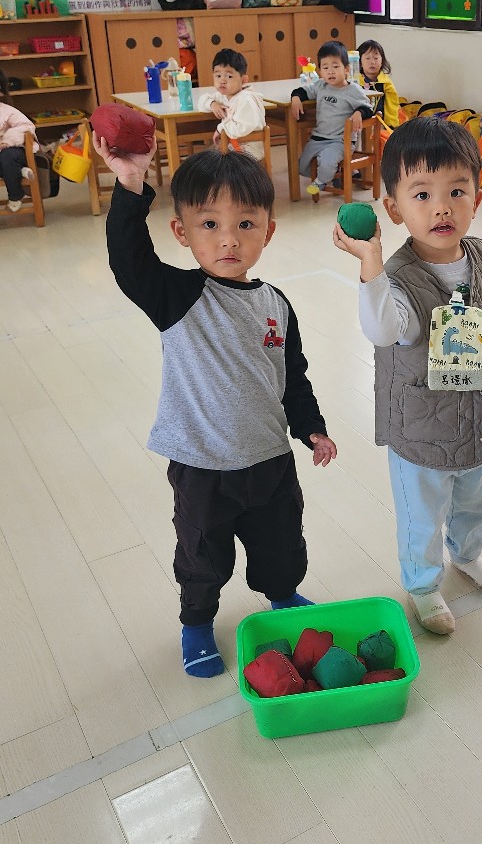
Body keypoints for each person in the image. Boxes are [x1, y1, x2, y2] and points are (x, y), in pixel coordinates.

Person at [93, 132, 337, 678]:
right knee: (202, 557)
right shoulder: (176, 296)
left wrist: (312, 429)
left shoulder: (276, 304)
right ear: (181, 232)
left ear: (268, 231)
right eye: (209, 224)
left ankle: (283, 596)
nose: (229, 240)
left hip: (269, 458)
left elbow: (292, 377)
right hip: (202, 465)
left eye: (245, 224)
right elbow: (129, 261)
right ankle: (197, 622)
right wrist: (130, 184)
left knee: (282, 544)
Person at [333, 116, 482, 636]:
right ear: (393, 208)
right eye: (422, 194)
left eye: (456, 191)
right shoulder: (397, 277)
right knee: (422, 514)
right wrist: (370, 262)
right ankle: (421, 584)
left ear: (477, 199)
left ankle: (467, 554)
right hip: (421, 427)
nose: (442, 207)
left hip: (475, 415)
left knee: (478, 497)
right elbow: (383, 329)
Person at [291, 40, 373, 200]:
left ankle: (321, 181)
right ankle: (336, 174)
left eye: (335, 66)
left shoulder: (352, 90)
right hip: (318, 138)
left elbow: (368, 108)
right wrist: (296, 98)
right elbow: (302, 91)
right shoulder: (321, 85)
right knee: (300, 167)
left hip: (340, 141)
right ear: (320, 70)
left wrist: (358, 113)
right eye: (325, 67)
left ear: (346, 69)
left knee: (327, 161)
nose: (330, 72)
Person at [198, 49, 266, 161]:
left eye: (229, 76)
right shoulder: (225, 95)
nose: (222, 81)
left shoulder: (245, 99)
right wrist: (212, 104)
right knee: (204, 158)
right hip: (233, 146)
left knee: (208, 161)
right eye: (218, 76)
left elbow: (244, 127)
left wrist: (221, 128)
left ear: (243, 80)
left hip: (249, 151)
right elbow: (202, 100)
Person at [0, 69, 37, 213]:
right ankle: (20, 171)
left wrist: (8, 141)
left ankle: (15, 196)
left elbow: (26, 126)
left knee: (8, 156)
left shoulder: (6, 110)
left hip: (14, 151)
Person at [357, 39, 400, 131]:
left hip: (381, 125)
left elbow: (392, 105)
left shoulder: (386, 83)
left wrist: (391, 126)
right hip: (359, 125)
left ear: (382, 61)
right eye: (367, 58)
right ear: (360, 62)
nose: (372, 62)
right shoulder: (356, 82)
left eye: (376, 58)